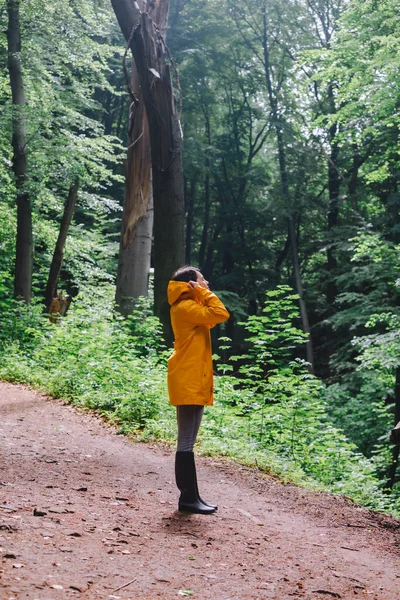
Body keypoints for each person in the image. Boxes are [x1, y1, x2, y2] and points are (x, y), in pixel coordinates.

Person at [167, 266, 230, 514]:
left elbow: (212, 318)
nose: (207, 282)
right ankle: (187, 499)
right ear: (191, 284)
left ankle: (192, 497)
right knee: (185, 442)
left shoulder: (190, 308)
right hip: (187, 379)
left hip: (193, 378)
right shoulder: (185, 308)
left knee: (189, 442)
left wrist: (201, 293)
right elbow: (221, 313)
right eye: (202, 280)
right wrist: (204, 294)